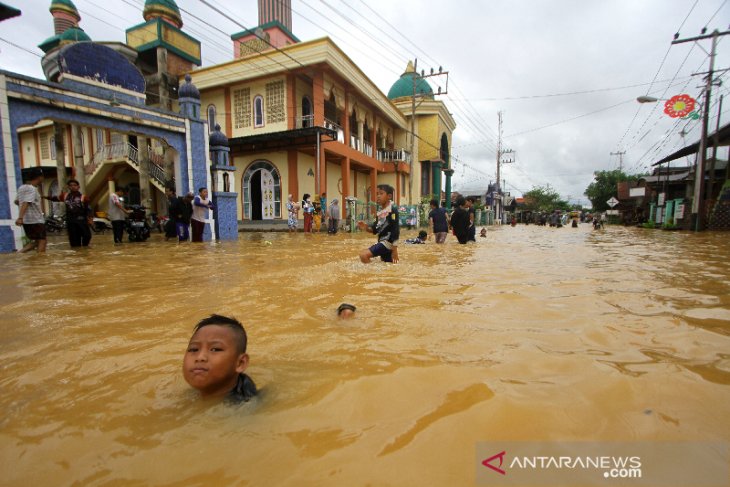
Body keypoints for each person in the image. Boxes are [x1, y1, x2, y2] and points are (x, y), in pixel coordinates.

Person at [182, 314, 257, 402]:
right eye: (194, 349)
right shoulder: (187, 396)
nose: (200, 357)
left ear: (240, 363)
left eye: (215, 349)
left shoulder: (245, 409)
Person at [357, 184, 399, 263]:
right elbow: (374, 230)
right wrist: (365, 227)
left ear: (389, 196)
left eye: (381, 193)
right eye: (377, 194)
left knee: (363, 255)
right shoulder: (379, 213)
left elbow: (395, 229)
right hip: (382, 243)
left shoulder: (392, 210)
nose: (378, 196)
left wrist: (395, 250)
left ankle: (370, 274)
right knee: (388, 266)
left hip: (387, 243)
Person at [44, 179, 92, 247]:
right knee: (74, 240)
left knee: (87, 235)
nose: (73, 187)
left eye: (75, 185)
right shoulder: (65, 196)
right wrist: (44, 197)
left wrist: (90, 219)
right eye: (71, 185)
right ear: (68, 187)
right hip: (71, 220)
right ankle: (78, 253)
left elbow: (89, 209)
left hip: (81, 220)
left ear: (78, 187)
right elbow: (55, 198)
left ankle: (85, 247)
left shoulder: (83, 197)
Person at [15, 168, 47, 253]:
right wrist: (20, 217)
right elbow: (26, 202)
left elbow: (17, 201)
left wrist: (22, 217)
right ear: (40, 177)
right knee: (42, 241)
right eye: (42, 177)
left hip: (27, 220)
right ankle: (41, 262)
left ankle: (17, 255)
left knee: (36, 241)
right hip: (35, 220)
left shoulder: (21, 188)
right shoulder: (32, 189)